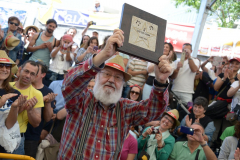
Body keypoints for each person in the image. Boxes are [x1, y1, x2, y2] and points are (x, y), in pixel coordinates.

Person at [58, 29, 171, 159]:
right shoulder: (81, 99)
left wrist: (161, 81)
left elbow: (154, 110)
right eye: (106, 74)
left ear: (123, 84)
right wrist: (103, 55)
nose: (111, 80)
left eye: (118, 77)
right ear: (97, 75)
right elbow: (68, 85)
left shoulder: (125, 108)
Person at [9, 60, 44, 155]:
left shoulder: (37, 94)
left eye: (32, 74)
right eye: (26, 71)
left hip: (16, 138)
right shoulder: (7, 86)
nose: (28, 76)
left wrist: (30, 110)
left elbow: (36, 123)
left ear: (36, 77)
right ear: (20, 70)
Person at [24, 60, 57, 158]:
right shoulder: (23, 86)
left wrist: (47, 103)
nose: (31, 74)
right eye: (28, 71)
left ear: (43, 75)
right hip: (16, 133)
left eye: (35, 71)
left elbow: (48, 118)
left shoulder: (48, 91)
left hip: (32, 135)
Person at [0, 51, 27, 153]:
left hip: (4, 146)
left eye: (7, 66)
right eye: (1, 66)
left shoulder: (14, 93)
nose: (4, 69)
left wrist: (14, 108)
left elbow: (9, 125)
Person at [212, 57, 240, 147]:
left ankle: (223, 148)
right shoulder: (223, 74)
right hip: (219, 105)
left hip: (231, 107)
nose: (234, 65)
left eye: (237, 63)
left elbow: (232, 92)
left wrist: (232, 78)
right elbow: (215, 88)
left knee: (227, 129)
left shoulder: (238, 78)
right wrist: (224, 77)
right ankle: (211, 147)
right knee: (214, 128)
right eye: (232, 63)